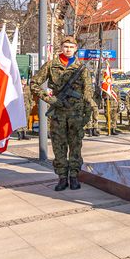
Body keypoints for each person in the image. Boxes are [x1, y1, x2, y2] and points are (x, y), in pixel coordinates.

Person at [29, 36, 98, 191]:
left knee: (75, 145)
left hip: (77, 114)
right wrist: (51, 100)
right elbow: (34, 83)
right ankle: (61, 178)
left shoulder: (81, 68)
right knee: (59, 146)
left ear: (75, 49)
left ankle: (74, 176)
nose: (68, 49)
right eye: (65, 46)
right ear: (61, 47)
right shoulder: (51, 65)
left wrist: (87, 113)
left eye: (71, 47)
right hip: (58, 114)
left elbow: (88, 92)